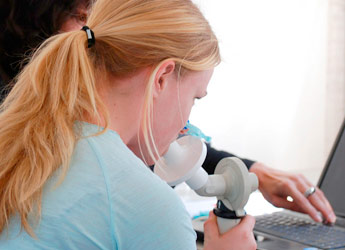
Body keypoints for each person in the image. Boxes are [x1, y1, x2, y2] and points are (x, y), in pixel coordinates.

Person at [0, 0, 336, 228]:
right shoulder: (140, 201)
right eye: (83, 16)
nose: (97, 29)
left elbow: (165, 137)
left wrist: (254, 172)